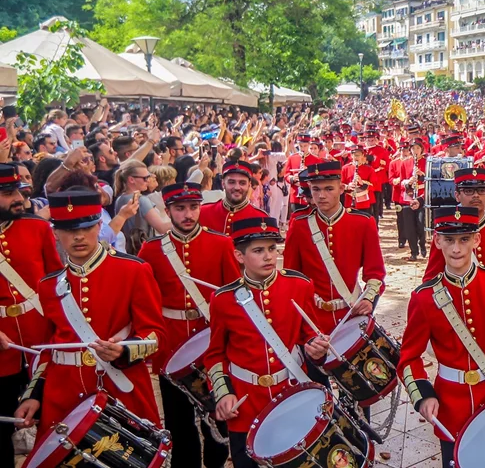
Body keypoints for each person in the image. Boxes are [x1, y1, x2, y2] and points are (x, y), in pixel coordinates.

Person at [13, 188, 166, 438]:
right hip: (62, 394)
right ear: (56, 233)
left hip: (118, 386)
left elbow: (157, 335)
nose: (79, 237)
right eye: (70, 231)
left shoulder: (133, 271)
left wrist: (126, 349)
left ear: (98, 226)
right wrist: (34, 395)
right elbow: (47, 349)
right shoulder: (48, 285)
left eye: (86, 227)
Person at [398, 206, 485, 467]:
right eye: (448, 240)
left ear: (477, 239)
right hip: (450, 405)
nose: (456, 249)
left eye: (464, 239)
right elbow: (408, 357)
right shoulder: (423, 297)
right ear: (437, 241)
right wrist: (423, 395)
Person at [204, 216, 330, 468]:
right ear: (239, 256)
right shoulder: (223, 299)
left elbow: (309, 335)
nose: (269, 256)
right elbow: (215, 355)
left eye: (272, 249)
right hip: (246, 402)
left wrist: (317, 349)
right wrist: (223, 393)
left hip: (291, 395)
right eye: (258, 250)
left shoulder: (299, 285)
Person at [137, 182, 239, 468]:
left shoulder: (220, 243)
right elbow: (145, 301)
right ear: (167, 211)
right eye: (180, 208)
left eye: (193, 207)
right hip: (171, 343)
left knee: (216, 416)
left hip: (212, 340)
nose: (188, 214)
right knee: (178, 418)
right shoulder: (152, 249)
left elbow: (231, 296)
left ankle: (217, 462)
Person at [0, 164, 63, 468]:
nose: (19, 200)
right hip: (3, 348)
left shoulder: (37, 228)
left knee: (54, 422)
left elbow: (56, 284)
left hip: (41, 337)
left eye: (19, 192)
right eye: (8, 194)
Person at [283, 161, 385, 333]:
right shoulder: (299, 226)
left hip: (350, 312)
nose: (321, 195)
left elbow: (375, 272)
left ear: (341, 188)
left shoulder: (363, 223)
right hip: (312, 317)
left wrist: (368, 299)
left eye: (329, 189)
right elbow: (292, 276)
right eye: (316, 189)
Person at [421, 167, 485, 280]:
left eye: (481, 190)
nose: (476, 195)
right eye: (468, 191)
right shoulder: (445, 230)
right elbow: (432, 277)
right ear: (457, 195)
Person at [199, 160, 266, 234]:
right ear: (223, 183)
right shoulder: (204, 213)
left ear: (249, 185)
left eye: (242, 183)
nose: (237, 187)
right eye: (231, 182)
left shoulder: (261, 218)